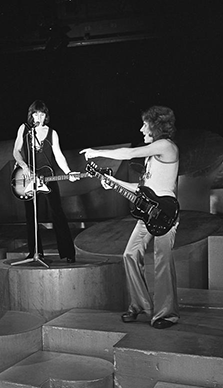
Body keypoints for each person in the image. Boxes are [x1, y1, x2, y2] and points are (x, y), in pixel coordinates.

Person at [80, 105, 180, 329]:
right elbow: (142, 189)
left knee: (163, 260)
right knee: (130, 255)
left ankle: (167, 315)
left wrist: (97, 152)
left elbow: (129, 153)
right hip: (148, 215)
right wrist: (113, 182)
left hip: (165, 213)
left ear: (156, 125)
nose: (141, 129)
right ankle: (140, 306)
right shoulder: (152, 155)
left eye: (145, 124)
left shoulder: (166, 146)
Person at [13, 99, 79, 262]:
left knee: (57, 212)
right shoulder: (24, 129)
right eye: (36, 114)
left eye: (42, 114)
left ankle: (68, 253)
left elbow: (58, 155)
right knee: (31, 215)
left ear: (46, 116)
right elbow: (16, 151)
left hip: (48, 176)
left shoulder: (52, 133)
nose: (39, 117)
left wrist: (68, 172)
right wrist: (24, 166)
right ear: (31, 115)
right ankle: (35, 252)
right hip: (28, 177)